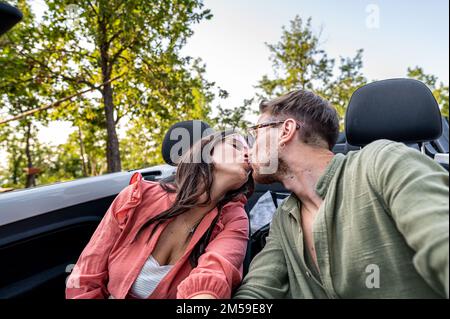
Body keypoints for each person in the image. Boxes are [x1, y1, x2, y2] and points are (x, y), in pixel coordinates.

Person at [234, 89, 449, 299]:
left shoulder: (382, 162)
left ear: (285, 130)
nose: (248, 150)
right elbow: (258, 290)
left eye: (256, 132)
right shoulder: (283, 218)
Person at [66, 130, 254, 299]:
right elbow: (85, 276)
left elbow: (214, 274)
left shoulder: (235, 219)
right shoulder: (136, 197)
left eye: (250, 150)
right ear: (206, 151)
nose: (248, 154)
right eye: (236, 145)